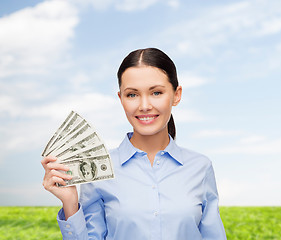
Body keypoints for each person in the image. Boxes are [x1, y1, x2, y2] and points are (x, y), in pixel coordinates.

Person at [41, 47, 227, 240]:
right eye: (132, 95)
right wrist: (70, 203)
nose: (144, 106)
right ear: (120, 98)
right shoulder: (99, 171)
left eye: (156, 92)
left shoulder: (200, 167)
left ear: (176, 95)